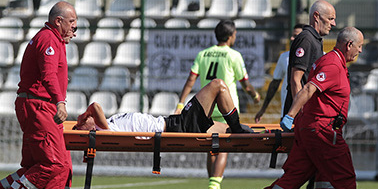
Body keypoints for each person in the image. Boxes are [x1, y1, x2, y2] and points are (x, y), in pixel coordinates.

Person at [247, 27, 378, 189]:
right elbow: (309, 89)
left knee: (300, 175)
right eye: (359, 47)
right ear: (349, 45)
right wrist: (290, 115)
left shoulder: (332, 61)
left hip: (311, 127)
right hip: (322, 129)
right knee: (344, 175)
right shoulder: (332, 64)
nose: (359, 52)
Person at [0, 2, 85, 189]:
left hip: (38, 105)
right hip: (39, 106)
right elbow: (47, 74)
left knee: (57, 165)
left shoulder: (52, 39)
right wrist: (60, 101)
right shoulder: (48, 41)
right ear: (58, 21)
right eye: (72, 21)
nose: (75, 27)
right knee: (53, 163)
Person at [176, 20, 261, 189]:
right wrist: (255, 95)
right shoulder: (234, 55)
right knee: (224, 147)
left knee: (211, 148)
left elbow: (191, 79)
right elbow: (245, 83)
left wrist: (181, 103)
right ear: (231, 36)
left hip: (206, 107)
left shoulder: (203, 54)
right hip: (225, 108)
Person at [75, 79, 252, 137]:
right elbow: (95, 106)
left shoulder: (107, 124)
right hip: (176, 126)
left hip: (173, 123)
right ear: (88, 128)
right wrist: (85, 114)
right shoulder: (104, 130)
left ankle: (244, 131)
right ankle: (238, 128)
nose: (85, 119)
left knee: (230, 131)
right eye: (83, 123)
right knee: (217, 85)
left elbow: (95, 110)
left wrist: (85, 118)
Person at [254, 23, 306, 189]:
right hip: (288, 114)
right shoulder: (284, 58)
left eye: (296, 35)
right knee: (293, 155)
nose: (292, 39)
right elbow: (275, 84)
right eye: (291, 36)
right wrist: (263, 109)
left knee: (310, 154)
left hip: (307, 113)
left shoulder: (314, 56)